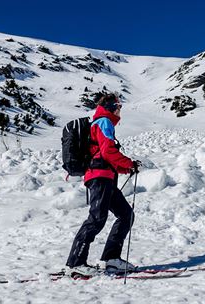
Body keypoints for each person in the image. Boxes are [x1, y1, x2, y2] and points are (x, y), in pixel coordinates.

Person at [66, 93, 140, 276]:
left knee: (126, 215)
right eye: (118, 106)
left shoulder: (103, 121)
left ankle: (111, 259)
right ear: (111, 107)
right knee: (96, 219)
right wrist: (129, 163)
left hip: (105, 177)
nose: (120, 110)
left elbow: (103, 155)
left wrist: (126, 168)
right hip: (99, 178)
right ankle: (75, 263)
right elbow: (107, 151)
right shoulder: (104, 121)